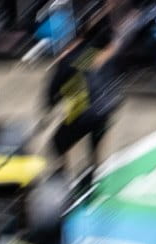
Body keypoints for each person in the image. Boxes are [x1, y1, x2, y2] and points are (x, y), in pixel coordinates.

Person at [48, 25, 123, 190]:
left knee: (57, 142)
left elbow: (54, 87)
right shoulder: (98, 55)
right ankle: (90, 173)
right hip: (106, 109)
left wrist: (50, 105)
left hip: (87, 111)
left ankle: (62, 175)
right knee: (94, 143)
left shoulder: (71, 58)